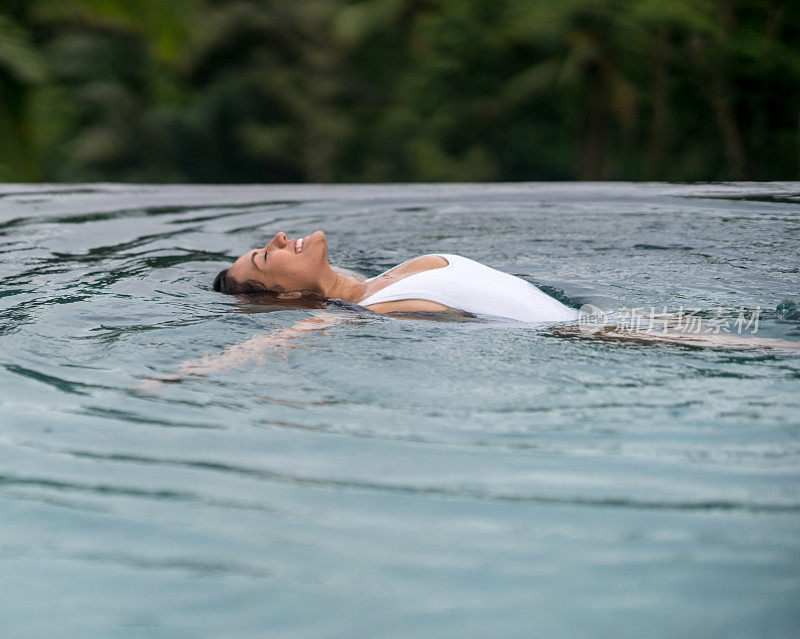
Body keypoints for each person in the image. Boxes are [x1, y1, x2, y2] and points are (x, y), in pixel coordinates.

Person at [211, 230, 579, 322]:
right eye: (264, 257)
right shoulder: (376, 310)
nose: (278, 238)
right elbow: (270, 343)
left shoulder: (372, 282)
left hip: (596, 320)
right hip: (588, 337)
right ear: (286, 296)